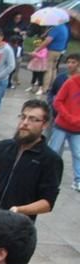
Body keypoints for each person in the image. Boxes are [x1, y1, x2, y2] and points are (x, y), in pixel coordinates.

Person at [0, 99, 62, 221]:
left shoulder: (50, 159)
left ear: (44, 125)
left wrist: (18, 210)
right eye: (23, 117)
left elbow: (47, 203)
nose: (24, 123)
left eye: (32, 119)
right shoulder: (2, 147)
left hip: (16, 228)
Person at [51, 58, 80, 191]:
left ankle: (78, 180)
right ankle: (47, 176)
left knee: (78, 153)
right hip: (62, 125)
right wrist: (68, 117)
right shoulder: (70, 82)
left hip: (77, 128)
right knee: (54, 152)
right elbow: (58, 101)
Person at [39, 17, 70, 93]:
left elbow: (48, 40)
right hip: (59, 51)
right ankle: (53, 86)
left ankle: (45, 88)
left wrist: (38, 49)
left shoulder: (56, 28)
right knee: (54, 69)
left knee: (48, 69)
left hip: (52, 50)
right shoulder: (64, 28)